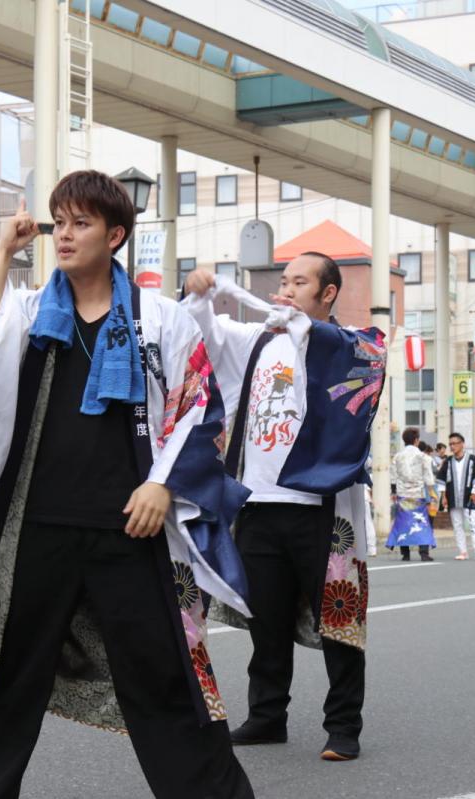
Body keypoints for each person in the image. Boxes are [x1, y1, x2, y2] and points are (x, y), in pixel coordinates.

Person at [0, 174, 255, 798]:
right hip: (36, 524)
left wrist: (162, 486)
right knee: (11, 680)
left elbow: (199, 410)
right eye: (61, 221)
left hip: (132, 528)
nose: (66, 235)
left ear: (116, 236)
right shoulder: (29, 311)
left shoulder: (159, 318)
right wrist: (3, 251)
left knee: (163, 679)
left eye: (81, 223)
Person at [182, 252, 381, 761]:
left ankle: (343, 727)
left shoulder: (351, 346)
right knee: (265, 621)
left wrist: (304, 328)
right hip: (258, 501)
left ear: (328, 293)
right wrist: (202, 294)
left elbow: (358, 356)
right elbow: (208, 332)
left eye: (300, 282)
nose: (287, 290)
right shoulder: (258, 342)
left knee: (339, 621)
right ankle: (268, 715)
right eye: (284, 281)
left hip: (323, 506)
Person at [437, 432, 475, 562]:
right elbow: (442, 480)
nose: (452, 446)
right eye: (450, 444)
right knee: (457, 525)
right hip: (453, 497)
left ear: (462, 444)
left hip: (469, 497)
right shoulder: (448, 461)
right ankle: (463, 551)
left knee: (474, 524)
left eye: (454, 443)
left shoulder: (472, 459)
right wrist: (443, 496)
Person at [389, 428, 436, 562]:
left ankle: (405, 553)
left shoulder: (397, 456)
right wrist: (431, 491)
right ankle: (423, 552)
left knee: (404, 522)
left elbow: (393, 476)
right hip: (418, 493)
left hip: (403, 493)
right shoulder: (423, 457)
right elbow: (428, 477)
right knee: (421, 522)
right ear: (416, 440)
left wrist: (393, 491)